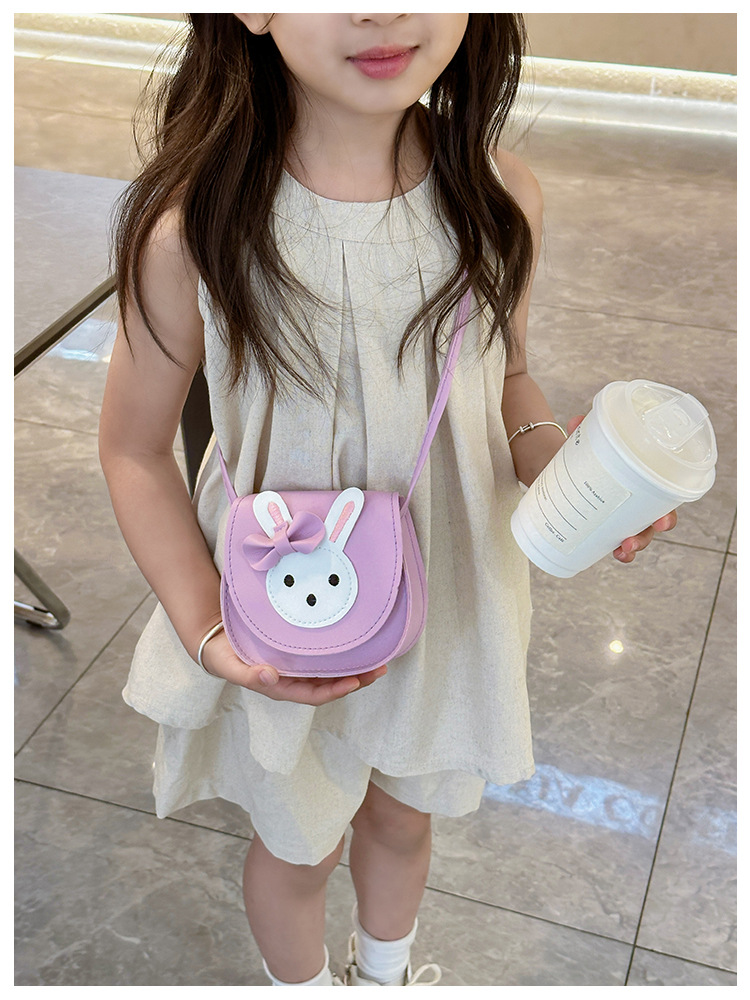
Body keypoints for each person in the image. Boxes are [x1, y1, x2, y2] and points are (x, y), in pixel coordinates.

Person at [99, 13, 676, 987]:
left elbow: (506, 377)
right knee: (298, 846)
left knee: (405, 820)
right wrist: (208, 633)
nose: (383, 11)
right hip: (283, 611)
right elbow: (133, 448)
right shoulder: (194, 227)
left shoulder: (500, 196)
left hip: (447, 596)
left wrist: (569, 470)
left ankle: (387, 972)